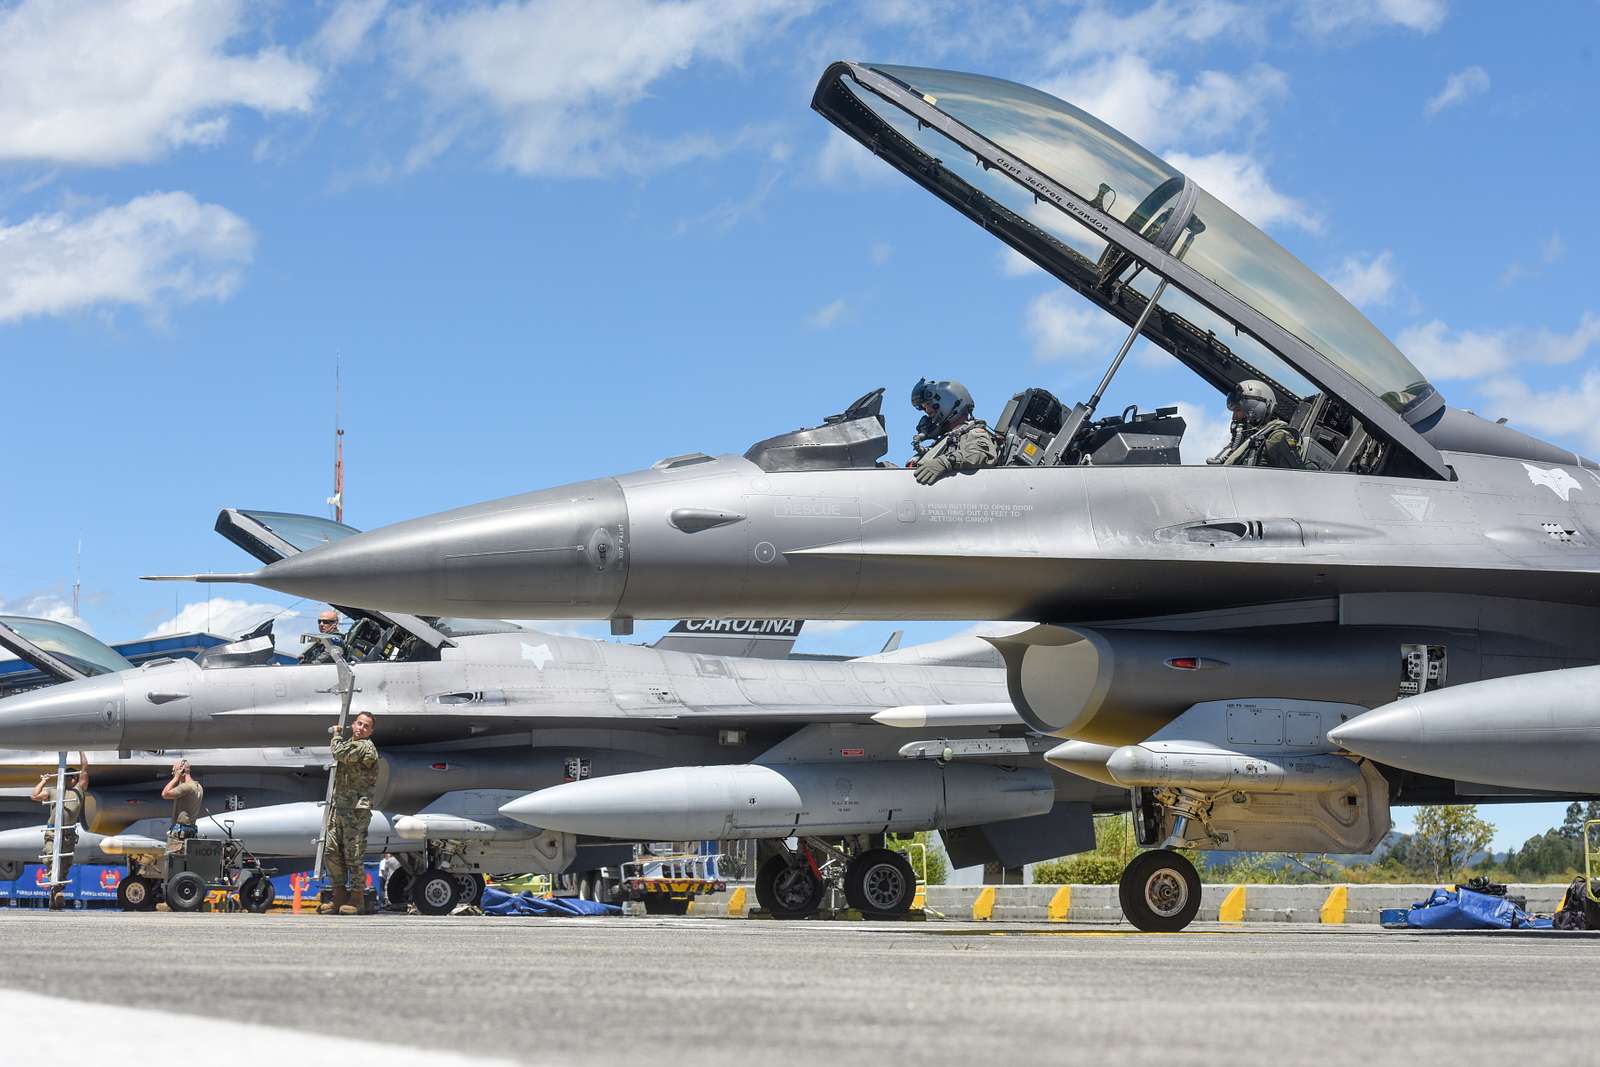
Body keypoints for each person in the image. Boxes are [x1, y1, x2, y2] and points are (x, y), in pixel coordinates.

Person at [320, 710, 380, 916]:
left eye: (366, 726)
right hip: (340, 807)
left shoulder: (365, 747)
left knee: (353, 855)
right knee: (331, 851)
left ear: (370, 731)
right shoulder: (350, 744)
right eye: (359, 723)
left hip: (356, 810)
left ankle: (357, 898)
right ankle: (338, 895)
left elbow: (340, 754)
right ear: (354, 724)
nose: (361, 728)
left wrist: (336, 734)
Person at [907, 378, 998, 484]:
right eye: (924, 407)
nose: (927, 411)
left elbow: (981, 454)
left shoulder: (973, 433)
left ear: (948, 400)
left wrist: (946, 462)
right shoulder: (945, 440)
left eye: (928, 405)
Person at [30, 753, 88, 910]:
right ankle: (56, 891)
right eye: (70, 777)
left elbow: (85, 769)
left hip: (68, 833)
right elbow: (34, 795)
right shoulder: (54, 791)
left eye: (73, 777)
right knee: (49, 858)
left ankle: (56, 892)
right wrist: (44, 780)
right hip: (52, 831)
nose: (72, 780)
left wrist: (81, 751)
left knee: (64, 864)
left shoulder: (78, 791)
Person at [1208, 379, 1306, 469]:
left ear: (1256, 409)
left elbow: (1298, 478)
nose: (1234, 417)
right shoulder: (1247, 443)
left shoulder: (1277, 438)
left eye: (1237, 410)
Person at [160, 758, 204, 865]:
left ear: (181, 770)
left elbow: (165, 794)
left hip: (179, 835)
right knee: (185, 865)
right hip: (190, 831)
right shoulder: (198, 787)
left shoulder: (187, 787)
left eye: (174, 771)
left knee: (172, 865)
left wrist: (175, 778)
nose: (173, 773)